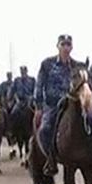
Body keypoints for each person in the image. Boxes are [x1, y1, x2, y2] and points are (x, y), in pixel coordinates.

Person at [34, 34, 82, 176]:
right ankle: (51, 158)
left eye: (68, 45)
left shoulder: (77, 65)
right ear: (58, 46)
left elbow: (84, 84)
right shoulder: (47, 64)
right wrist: (38, 106)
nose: (66, 48)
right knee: (44, 130)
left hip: (73, 104)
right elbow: (39, 85)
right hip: (53, 105)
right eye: (63, 45)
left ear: (71, 47)